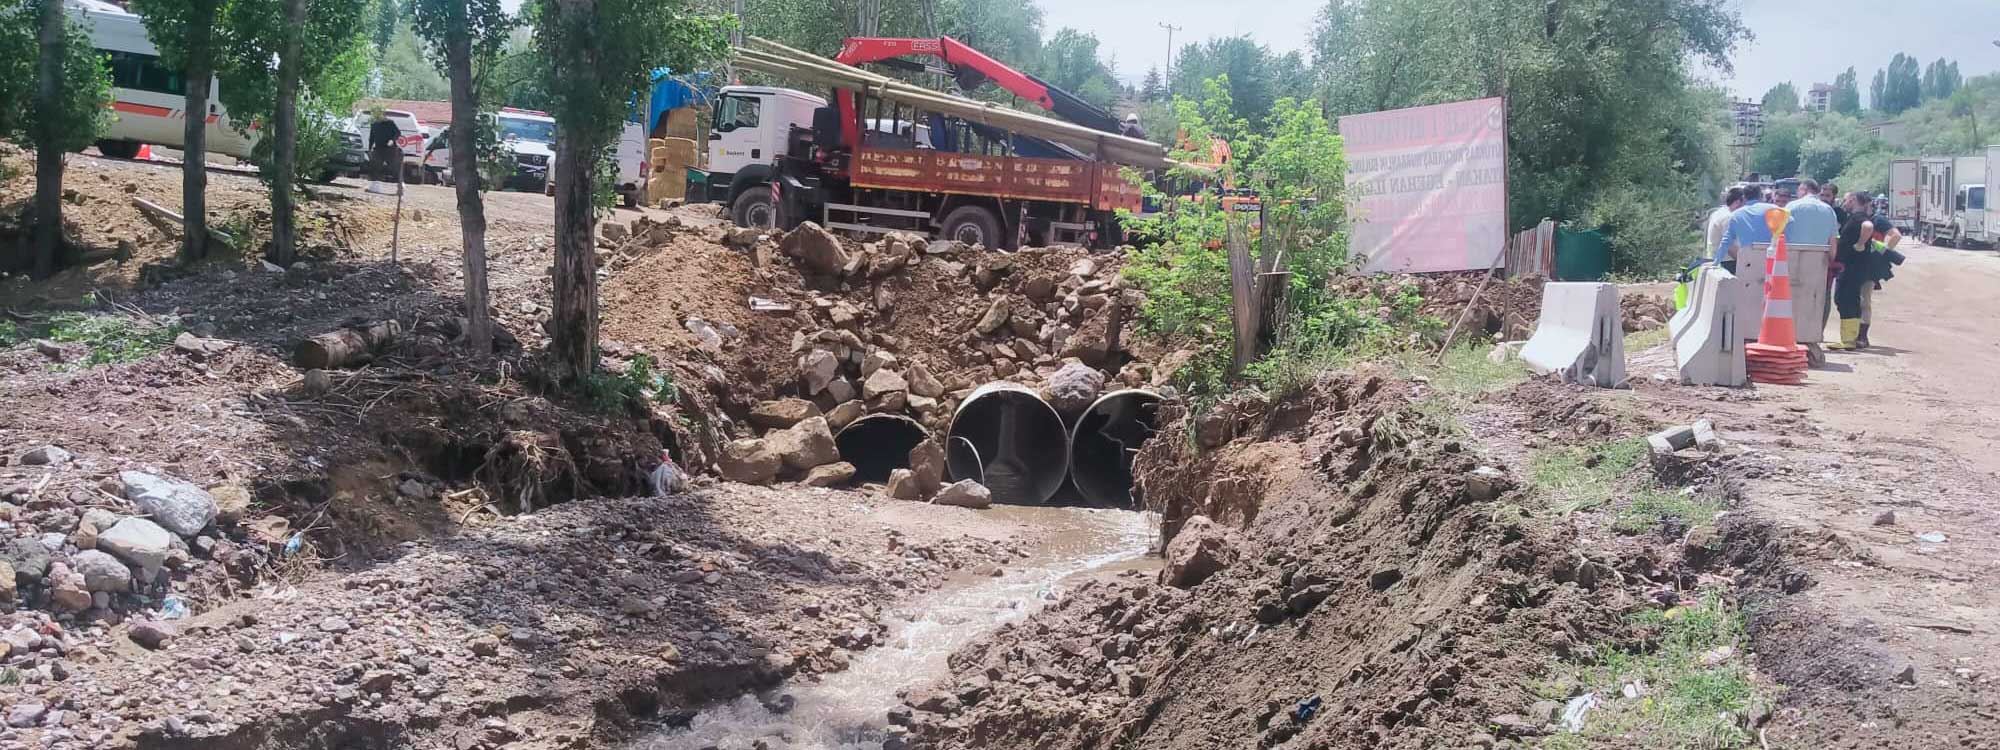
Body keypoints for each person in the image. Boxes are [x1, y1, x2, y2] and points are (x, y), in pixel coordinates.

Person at [1713, 184, 1778, 272]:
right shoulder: (1774, 209)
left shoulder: (1736, 214)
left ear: (1744, 197)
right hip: (1770, 257)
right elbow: (1790, 222)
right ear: (1760, 196)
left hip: (1747, 259)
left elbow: (1726, 241)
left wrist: (1716, 262)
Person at [1783, 178, 1839, 249]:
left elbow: (1780, 232)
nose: (1797, 193)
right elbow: (1833, 240)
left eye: (1798, 190)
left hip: (1792, 254)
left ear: (1804, 190)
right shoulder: (1829, 210)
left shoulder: (1791, 206)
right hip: (1819, 256)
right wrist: (1830, 259)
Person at [367, 108, 403, 194]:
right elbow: (371, 137)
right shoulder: (374, 124)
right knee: (375, 167)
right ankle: (375, 187)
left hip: (390, 149)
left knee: (394, 168)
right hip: (378, 148)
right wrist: (369, 148)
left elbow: (398, 133)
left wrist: (392, 140)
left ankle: (400, 187)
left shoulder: (390, 123)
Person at [1706, 186, 1745, 261]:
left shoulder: (1719, 212)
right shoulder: (1728, 218)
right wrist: (1745, 263)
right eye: (1745, 203)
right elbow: (1730, 247)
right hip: (1725, 262)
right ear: (1737, 202)